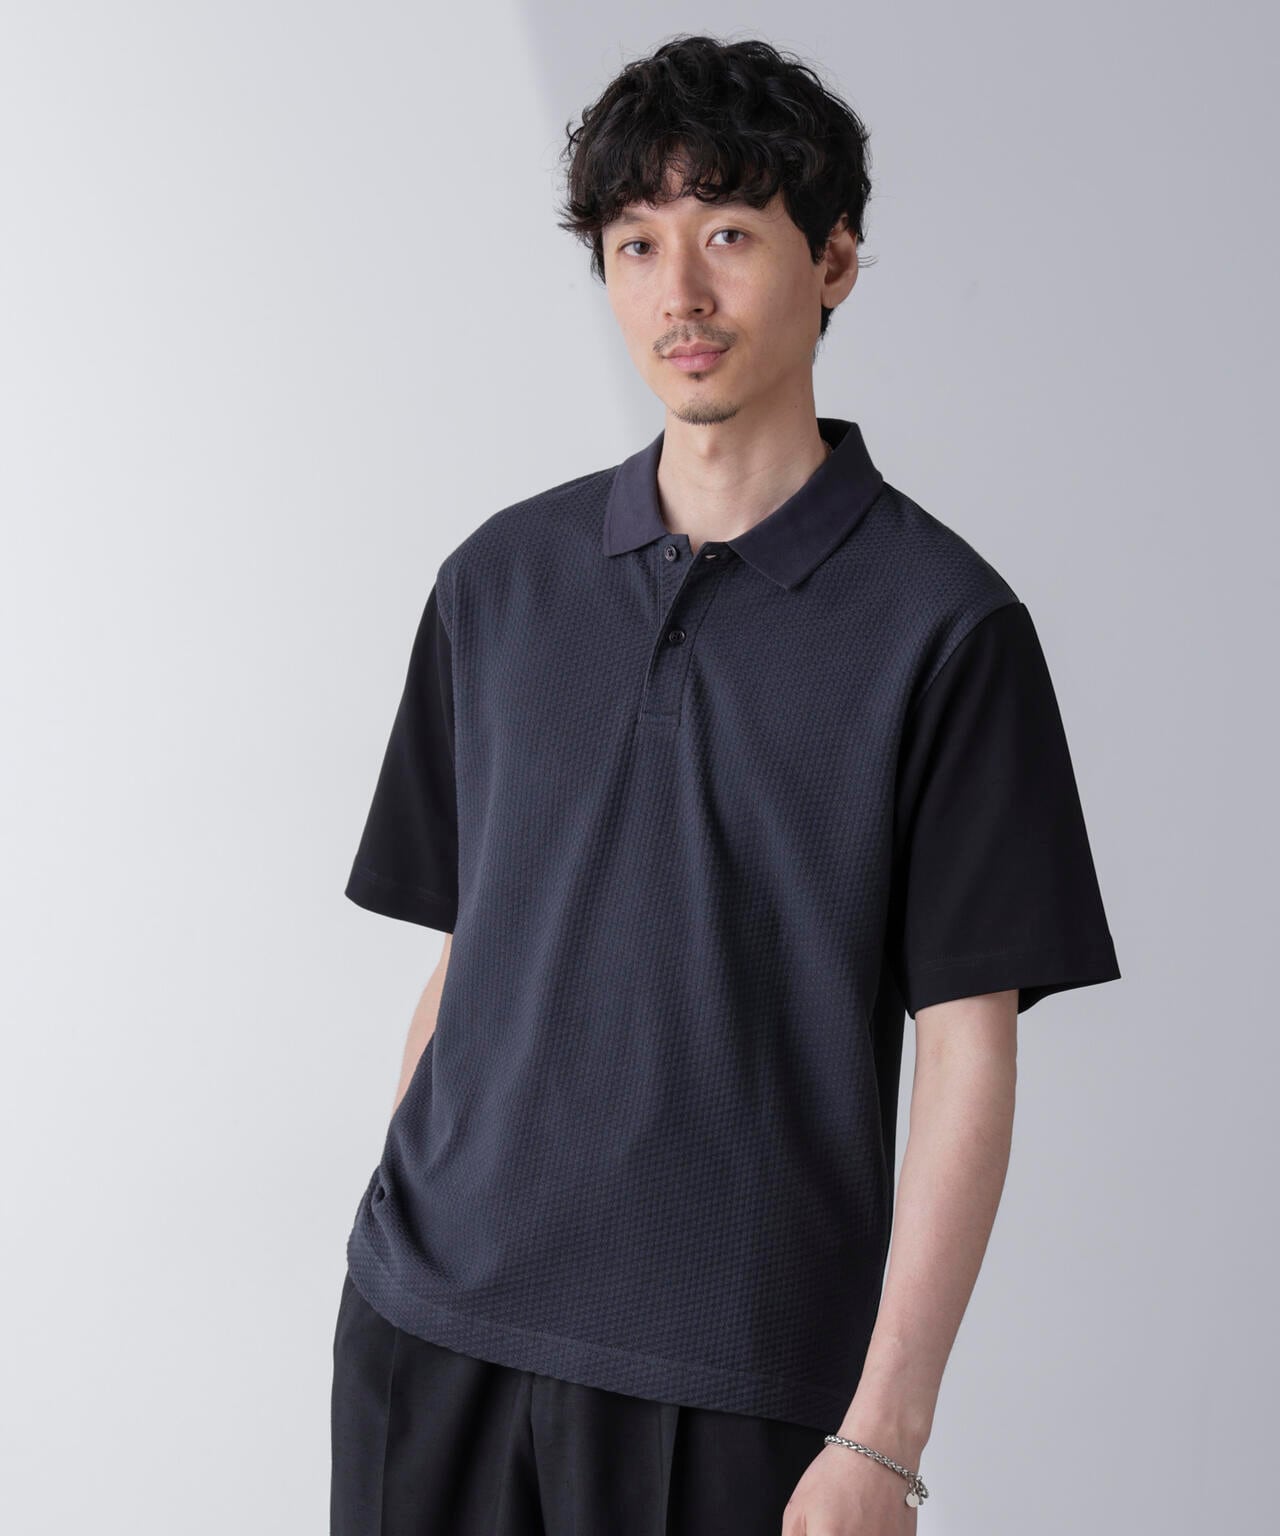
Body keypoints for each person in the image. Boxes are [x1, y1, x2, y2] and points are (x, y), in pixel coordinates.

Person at [329, 32, 1121, 1536]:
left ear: (835, 262)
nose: (678, 294)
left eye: (730, 235)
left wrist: (884, 1439)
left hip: (732, 1379)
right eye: (637, 244)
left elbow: (968, 1051)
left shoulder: (945, 630)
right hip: (425, 1338)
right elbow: (469, 952)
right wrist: (394, 1229)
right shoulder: (500, 581)